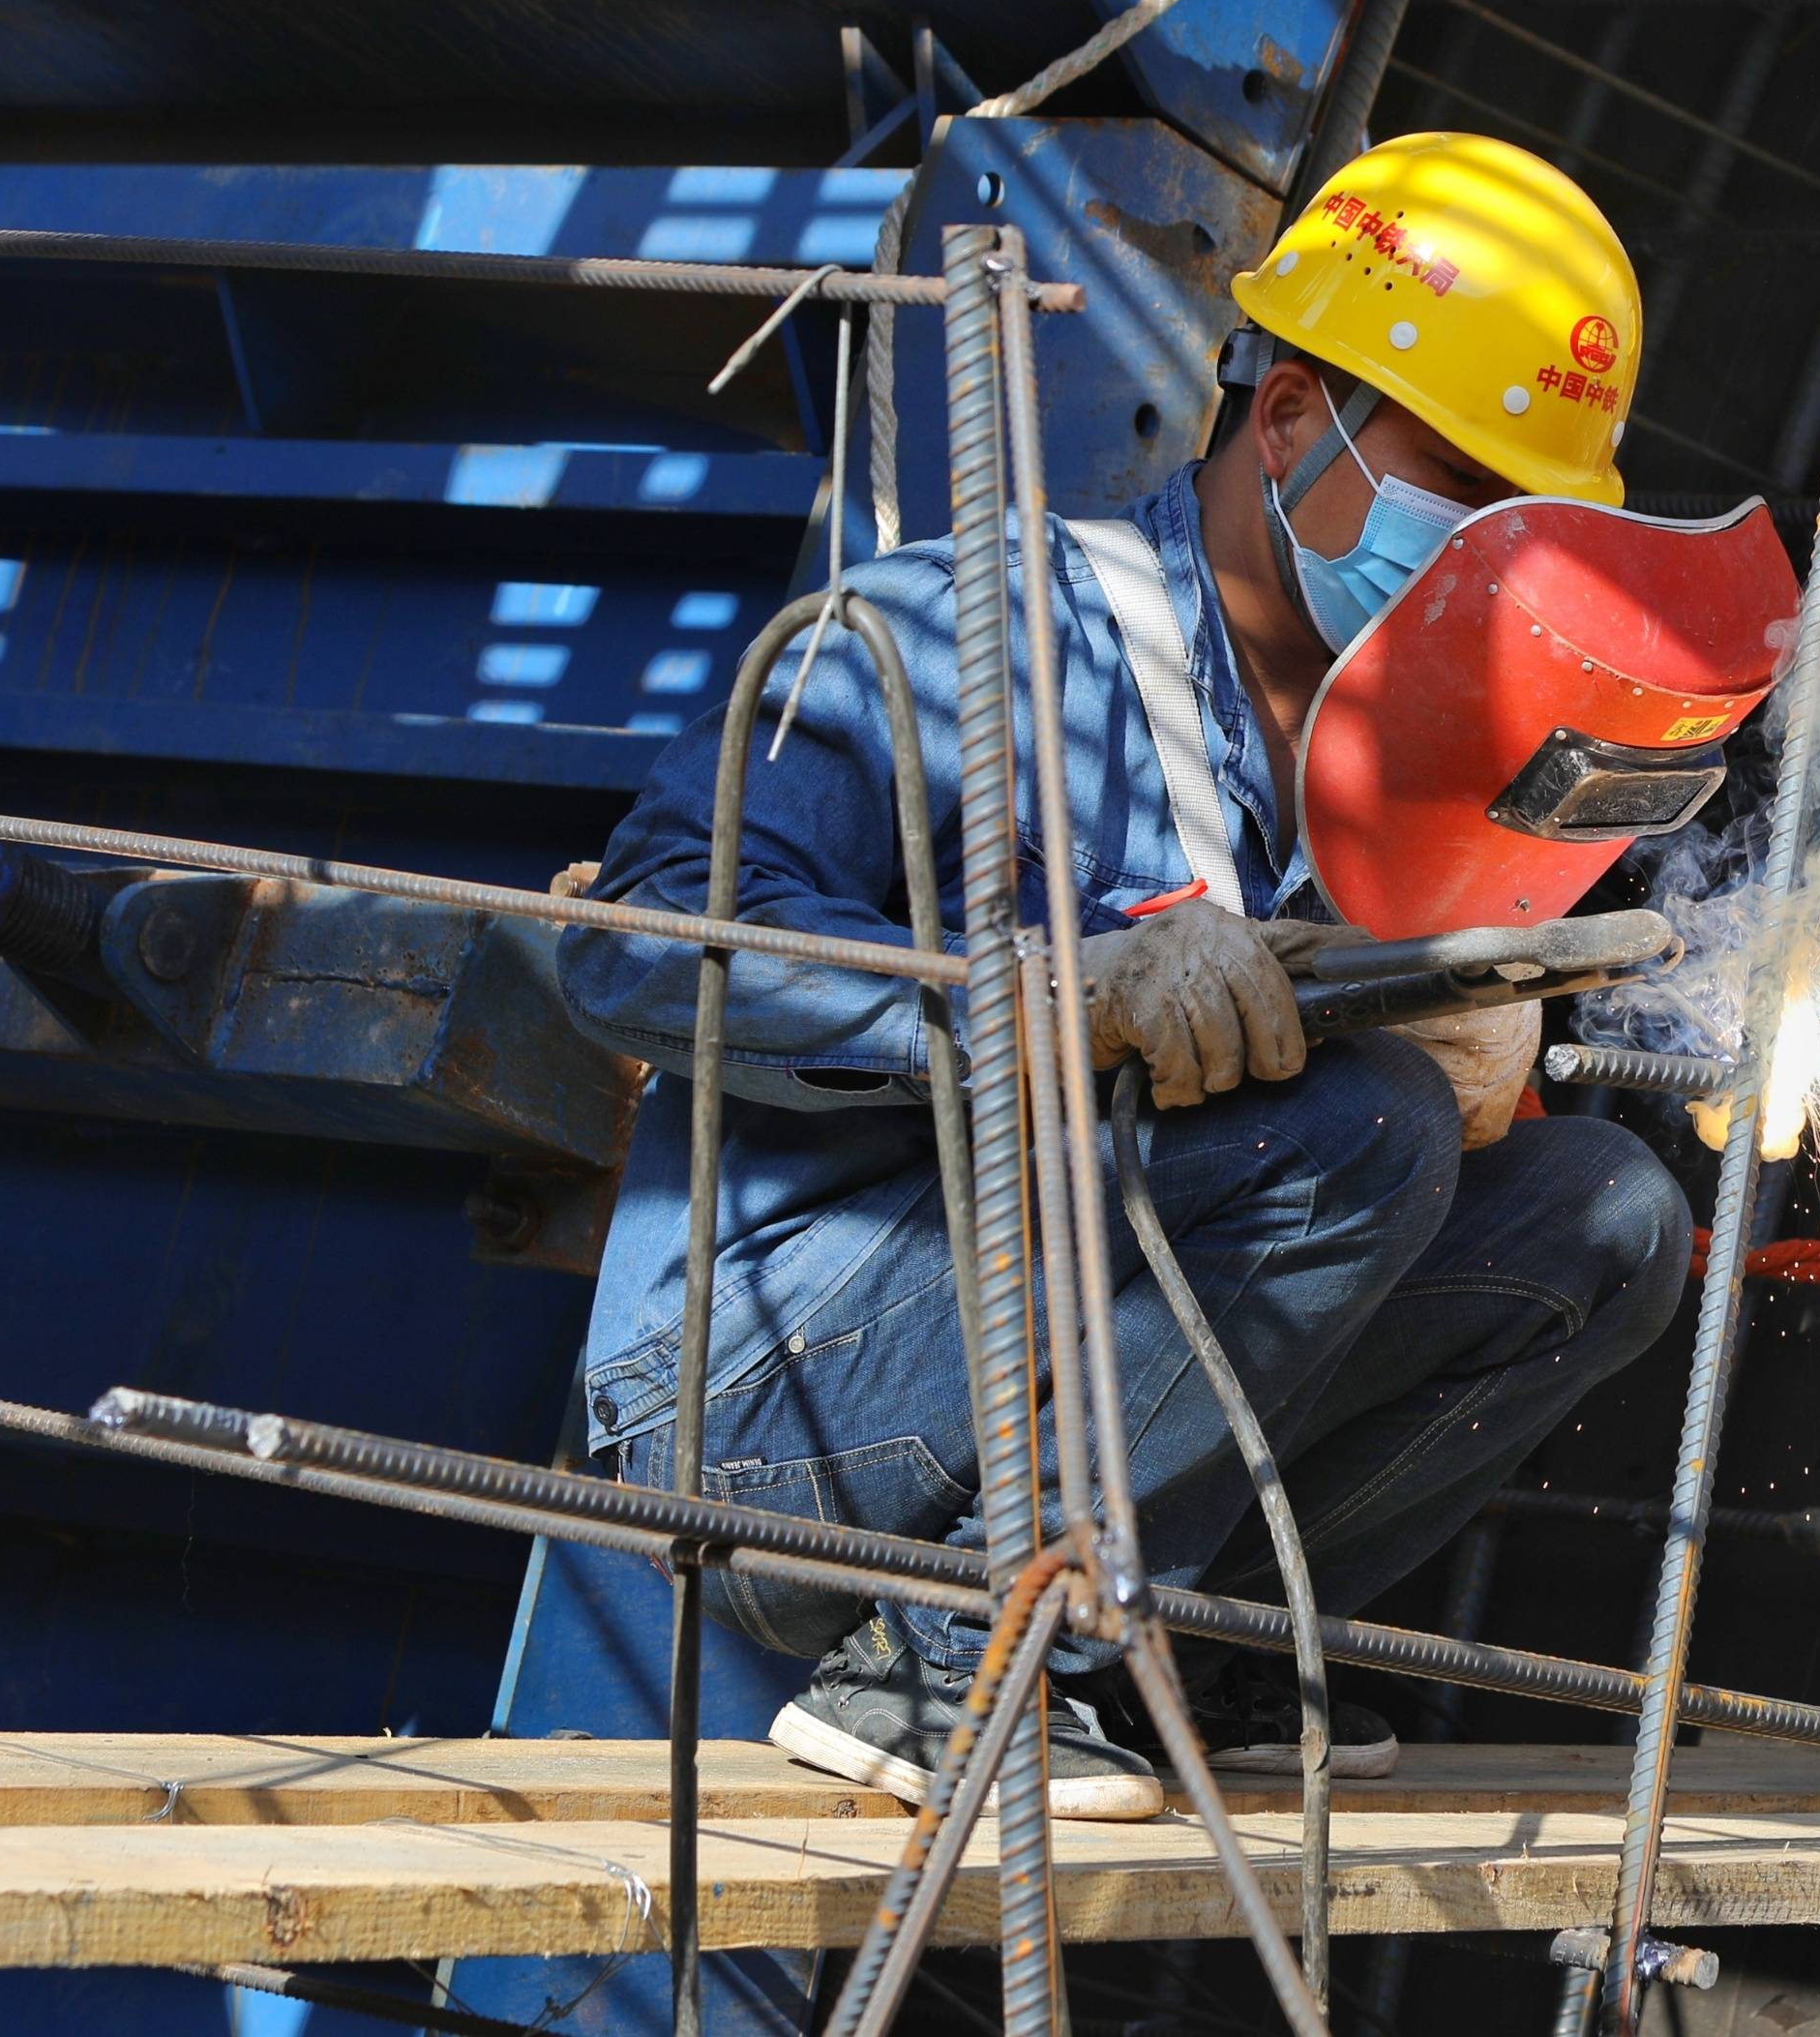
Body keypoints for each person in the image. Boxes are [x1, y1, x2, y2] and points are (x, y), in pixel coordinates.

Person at [554, 134, 1692, 1816]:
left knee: (1607, 1214)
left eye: (1516, 516)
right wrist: (1042, 997)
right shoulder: (967, 630)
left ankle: (1188, 1656)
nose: (1478, 548)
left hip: (1035, 1362)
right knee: (1354, 1126)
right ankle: (957, 1672)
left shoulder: (1396, 768)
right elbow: (639, 944)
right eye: (1455, 483)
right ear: (1293, 420)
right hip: (759, 1402)